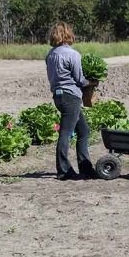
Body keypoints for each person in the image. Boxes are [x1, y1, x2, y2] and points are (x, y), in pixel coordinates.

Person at [45, 22, 95, 180]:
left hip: (58, 97)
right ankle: (64, 171)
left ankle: (85, 167)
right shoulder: (73, 54)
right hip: (70, 97)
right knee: (66, 133)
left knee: (84, 131)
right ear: (68, 35)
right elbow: (80, 80)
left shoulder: (50, 55)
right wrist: (93, 82)